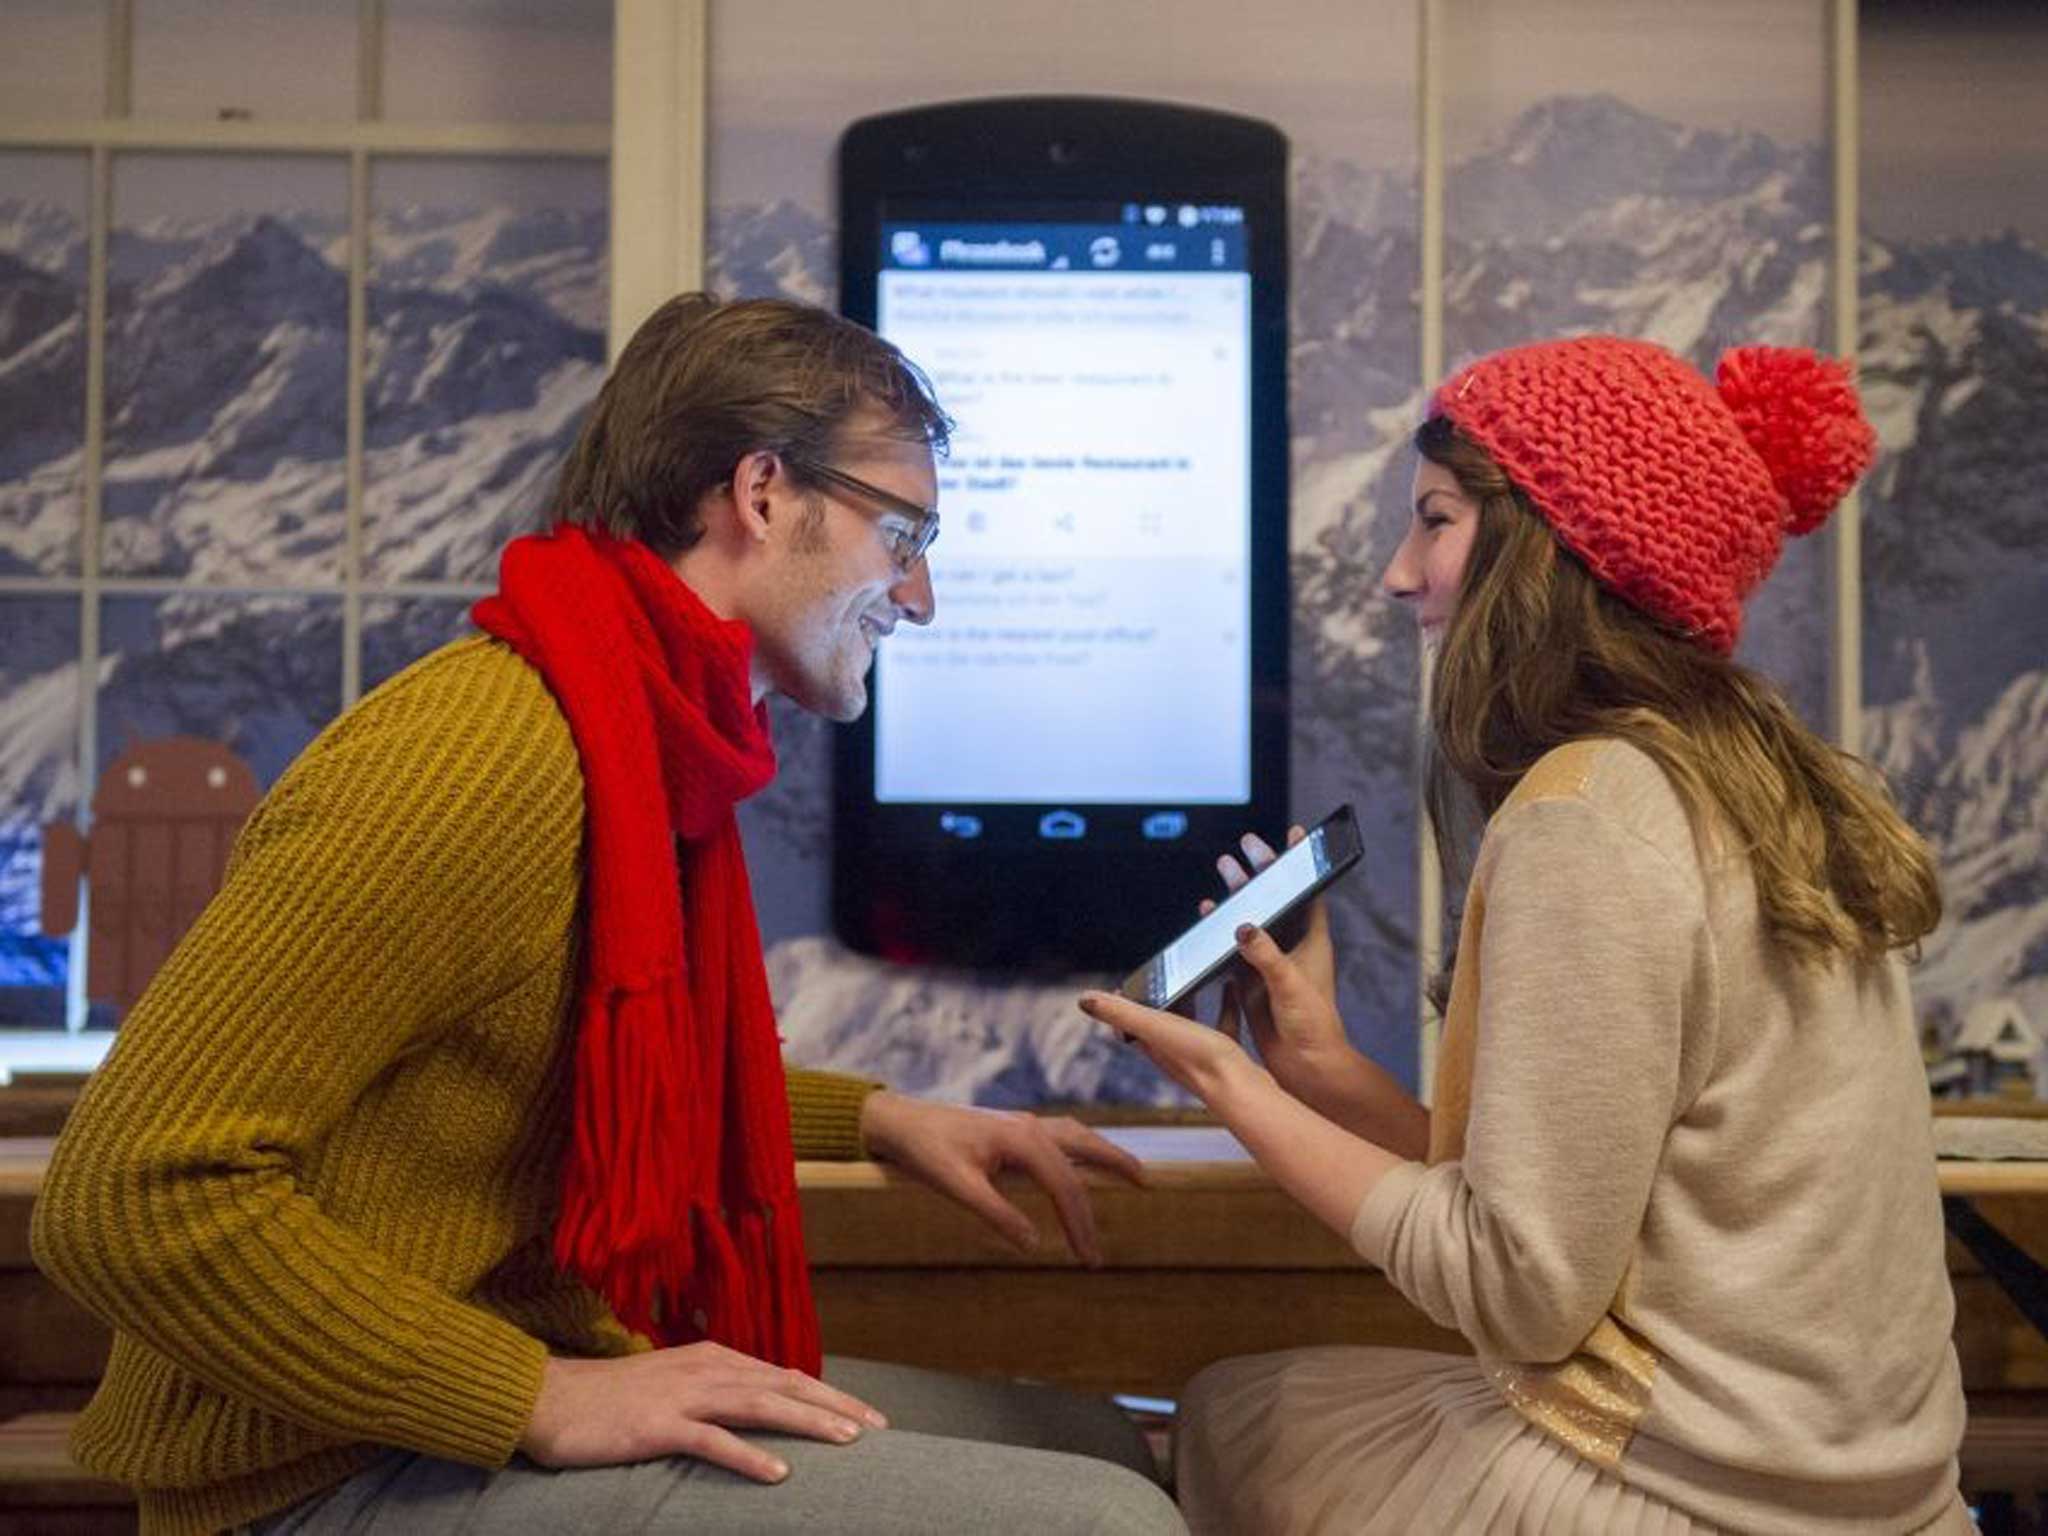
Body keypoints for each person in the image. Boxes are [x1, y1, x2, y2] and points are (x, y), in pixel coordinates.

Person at [32, 293, 1185, 1536]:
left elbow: (568, 1064)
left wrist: (885, 1121)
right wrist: (534, 1393)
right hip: (318, 1468)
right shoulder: (476, 757)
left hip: (455, 1394)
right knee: (1098, 1524)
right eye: (902, 537)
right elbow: (129, 1193)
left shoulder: (632, 731)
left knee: (1099, 1440)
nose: (918, 600)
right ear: (760, 494)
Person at [1083, 337, 1969, 1534]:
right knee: (1239, 1405)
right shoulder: (1743, 781)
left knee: (1225, 1416)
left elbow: (1519, 1292)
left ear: (1546, 550)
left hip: (1690, 1498)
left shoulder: (1586, 816)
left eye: (1435, 522)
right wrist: (1324, 1074)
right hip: (1850, 1494)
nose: (1399, 576)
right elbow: (1567, 1210)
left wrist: (1231, 1086)